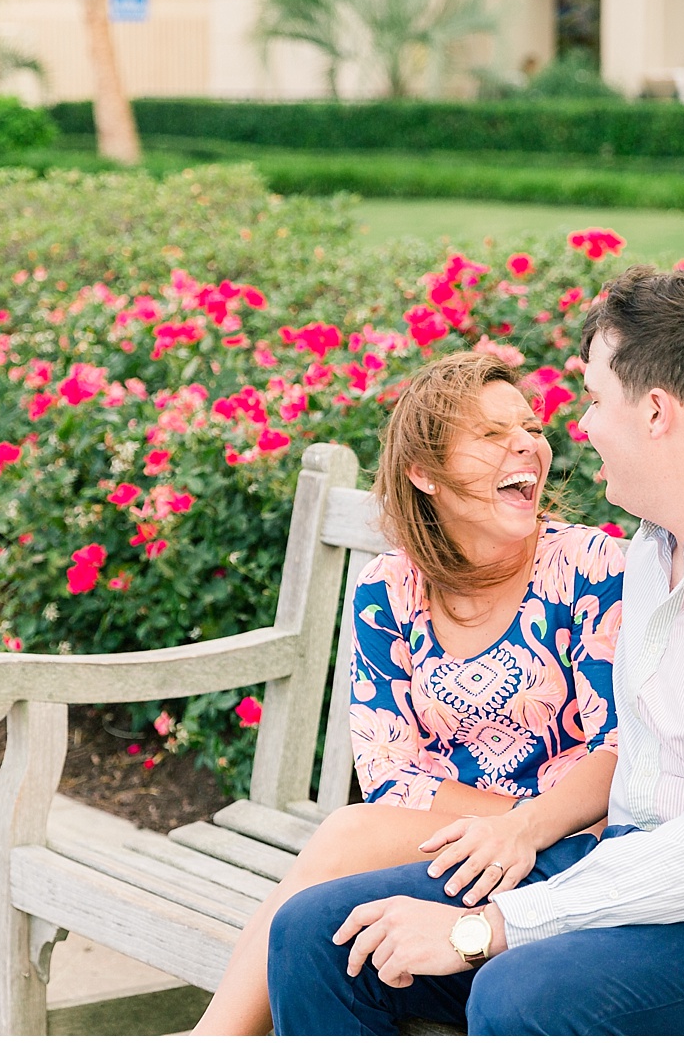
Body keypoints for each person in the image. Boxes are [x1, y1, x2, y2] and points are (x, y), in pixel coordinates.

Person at [265, 265, 684, 1035]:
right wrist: (530, 847)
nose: (577, 427)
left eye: (593, 399)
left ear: (654, 412)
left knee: (519, 993)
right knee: (321, 935)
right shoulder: (653, 548)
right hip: (640, 869)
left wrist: (490, 926)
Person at [192, 351, 624, 1034]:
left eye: (531, 426)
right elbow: (390, 771)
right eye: (489, 434)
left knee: (340, 864)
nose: (527, 444)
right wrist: (500, 826)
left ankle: (213, 1035)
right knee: (336, 922)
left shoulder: (588, 564)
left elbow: (618, 748)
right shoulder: (388, 590)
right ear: (424, 473)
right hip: (457, 852)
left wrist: (529, 826)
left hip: (574, 846)